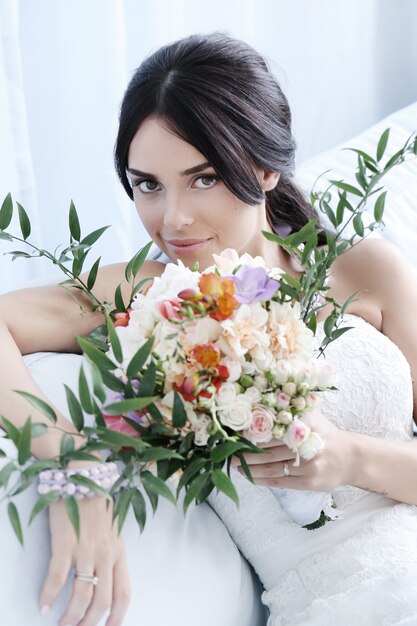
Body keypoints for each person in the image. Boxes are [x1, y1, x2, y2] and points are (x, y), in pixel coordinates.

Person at [1, 30, 416, 626]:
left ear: (267, 166)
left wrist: (352, 459)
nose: (173, 220)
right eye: (148, 185)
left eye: (203, 178)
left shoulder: (365, 269)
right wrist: (72, 461)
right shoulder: (150, 298)